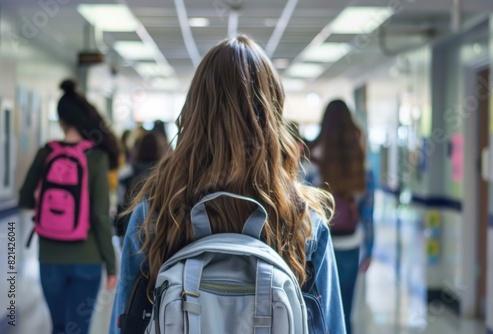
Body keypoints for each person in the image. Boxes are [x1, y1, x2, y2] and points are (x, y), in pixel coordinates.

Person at [110, 35, 346, 334]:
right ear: (272, 116)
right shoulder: (302, 220)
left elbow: (125, 322)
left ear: (194, 113)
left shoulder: (155, 212)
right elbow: (329, 327)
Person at [19, 79, 119, 334]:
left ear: (61, 121)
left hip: (50, 257)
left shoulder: (46, 152)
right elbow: (99, 216)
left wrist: (47, 213)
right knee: (78, 328)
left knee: (59, 327)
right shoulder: (96, 158)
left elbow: (24, 197)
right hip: (87, 259)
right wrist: (111, 264)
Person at [310, 99, 375, 334]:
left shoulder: (313, 158)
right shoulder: (360, 162)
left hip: (318, 244)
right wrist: (369, 247)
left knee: (317, 308)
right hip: (351, 242)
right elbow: (368, 211)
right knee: (344, 310)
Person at [115, 132, 161, 237]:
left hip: (129, 228)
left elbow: (120, 202)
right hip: (155, 232)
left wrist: (119, 230)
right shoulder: (164, 175)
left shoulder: (127, 173)